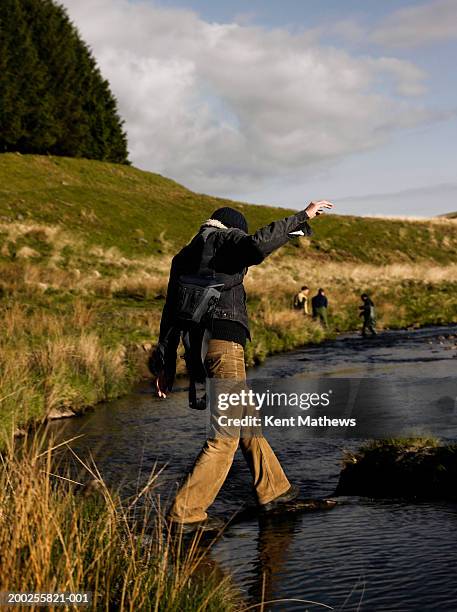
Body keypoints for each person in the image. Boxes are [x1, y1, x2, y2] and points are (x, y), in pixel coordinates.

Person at [151, 199, 333, 532]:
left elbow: (170, 314)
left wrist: (163, 364)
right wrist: (302, 217)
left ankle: (274, 490)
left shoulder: (184, 255)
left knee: (247, 425)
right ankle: (185, 513)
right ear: (232, 227)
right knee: (226, 436)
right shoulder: (224, 239)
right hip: (224, 347)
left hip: (201, 351)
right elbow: (257, 245)